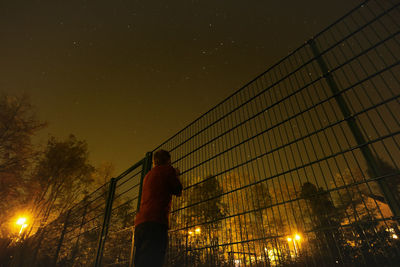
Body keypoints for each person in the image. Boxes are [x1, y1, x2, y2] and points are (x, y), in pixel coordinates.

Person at [133, 149, 183, 267]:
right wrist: (176, 174)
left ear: (154, 162)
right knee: (154, 259)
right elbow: (178, 190)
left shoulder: (147, 176)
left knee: (140, 261)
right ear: (168, 161)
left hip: (140, 224)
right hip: (156, 222)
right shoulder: (167, 170)